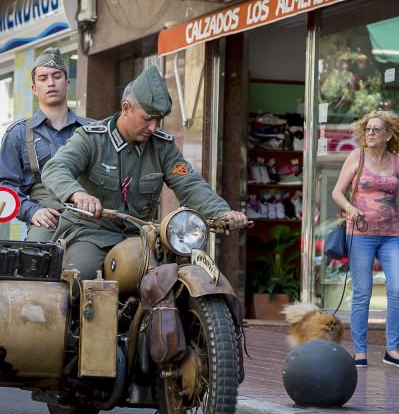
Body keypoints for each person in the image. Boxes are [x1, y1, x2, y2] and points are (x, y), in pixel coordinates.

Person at [41, 65, 248, 281]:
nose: (153, 127)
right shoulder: (91, 139)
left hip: (140, 237)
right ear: (126, 107)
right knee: (80, 279)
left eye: (158, 120)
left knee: (168, 283)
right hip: (91, 234)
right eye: (147, 118)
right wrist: (78, 194)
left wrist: (222, 213)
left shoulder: (162, 147)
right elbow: (55, 168)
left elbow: (190, 184)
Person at [331, 111, 399, 369]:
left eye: (377, 129)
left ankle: (392, 350)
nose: (371, 133)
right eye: (368, 129)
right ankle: (360, 351)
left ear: (389, 135)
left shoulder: (398, 162)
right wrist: (351, 209)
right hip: (361, 233)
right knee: (362, 292)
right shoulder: (357, 156)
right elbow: (337, 192)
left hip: (391, 235)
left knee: (398, 289)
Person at [0, 47, 84, 241]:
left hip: (88, 220)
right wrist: (32, 211)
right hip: (45, 220)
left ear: (67, 84)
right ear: (34, 89)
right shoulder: (18, 134)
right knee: (36, 264)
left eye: (56, 76)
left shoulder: (90, 130)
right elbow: (4, 188)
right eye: (43, 78)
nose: (50, 83)